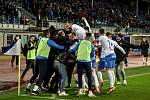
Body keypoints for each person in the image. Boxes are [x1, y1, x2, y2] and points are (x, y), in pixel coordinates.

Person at [31, 27, 66, 95]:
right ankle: (35, 90)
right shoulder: (48, 40)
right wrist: (65, 47)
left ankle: (34, 87)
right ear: (48, 34)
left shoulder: (41, 39)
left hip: (37, 58)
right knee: (42, 75)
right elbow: (57, 46)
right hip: (43, 59)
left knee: (38, 74)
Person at [69, 33, 96, 97]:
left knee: (80, 76)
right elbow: (92, 55)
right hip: (87, 61)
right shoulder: (91, 44)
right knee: (89, 77)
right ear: (90, 38)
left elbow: (73, 50)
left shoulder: (80, 42)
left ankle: (80, 90)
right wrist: (91, 60)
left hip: (79, 61)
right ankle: (90, 92)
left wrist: (68, 50)